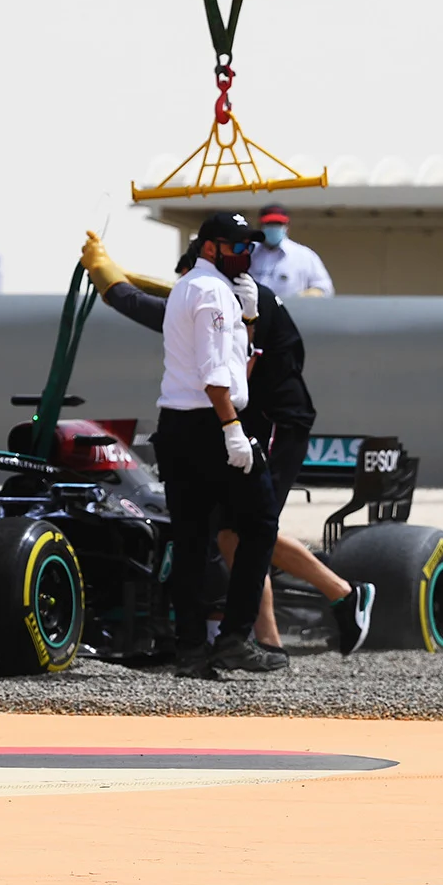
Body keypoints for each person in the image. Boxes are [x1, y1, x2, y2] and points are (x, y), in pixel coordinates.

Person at [80, 230, 374, 659]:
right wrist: (114, 273)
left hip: (275, 422)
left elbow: (152, 308)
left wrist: (108, 279)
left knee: (247, 531)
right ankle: (268, 640)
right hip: (246, 420)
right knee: (231, 535)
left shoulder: (230, 299)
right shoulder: (222, 290)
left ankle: (342, 595)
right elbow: (166, 298)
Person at [152, 211, 294, 675]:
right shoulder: (212, 292)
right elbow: (216, 374)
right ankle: (234, 637)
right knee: (260, 524)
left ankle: (191, 649)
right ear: (210, 247)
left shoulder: (192, 287)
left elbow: (236, 368)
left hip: (180, 424)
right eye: (236, 246)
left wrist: (249, 319)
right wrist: (232, 428)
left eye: (249, 246)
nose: (246, 254)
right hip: (210, 425)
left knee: (192, 538)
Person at [248, 206, 333, 298]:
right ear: (260, 226)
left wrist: (301, 297)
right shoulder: (248, 252)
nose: (274, 228)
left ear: (287, 227)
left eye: (278, 224)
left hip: (291, 310)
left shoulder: (304, 255)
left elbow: (324, 289)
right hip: (252, 310)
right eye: (270, 224)